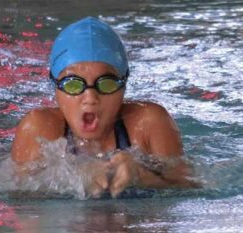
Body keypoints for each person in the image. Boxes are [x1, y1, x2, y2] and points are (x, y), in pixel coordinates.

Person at [11, 16, 197, 198]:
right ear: (55, 87)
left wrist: (142, 176)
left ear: (124, 84)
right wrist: (75, 177)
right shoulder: (39, 128)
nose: (90, 98)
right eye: (73, 84)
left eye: (106, 83)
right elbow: (16, 196)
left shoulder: (149, 123)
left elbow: (191, 188)